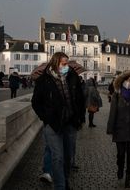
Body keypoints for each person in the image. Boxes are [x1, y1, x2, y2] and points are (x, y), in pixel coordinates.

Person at [31, 52, 85, 190]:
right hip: (53, 124)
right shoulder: (44, 80)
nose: (67, 66)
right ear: (56, 64)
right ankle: (60, 186)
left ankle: (65, 181)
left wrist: (80, 118)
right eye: (64, 63)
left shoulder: (73, 77)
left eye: (67, 63)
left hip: (71, 122)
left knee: (68, 157)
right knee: (57, 156)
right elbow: (36, 102)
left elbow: (80, 99)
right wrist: (46, 118)